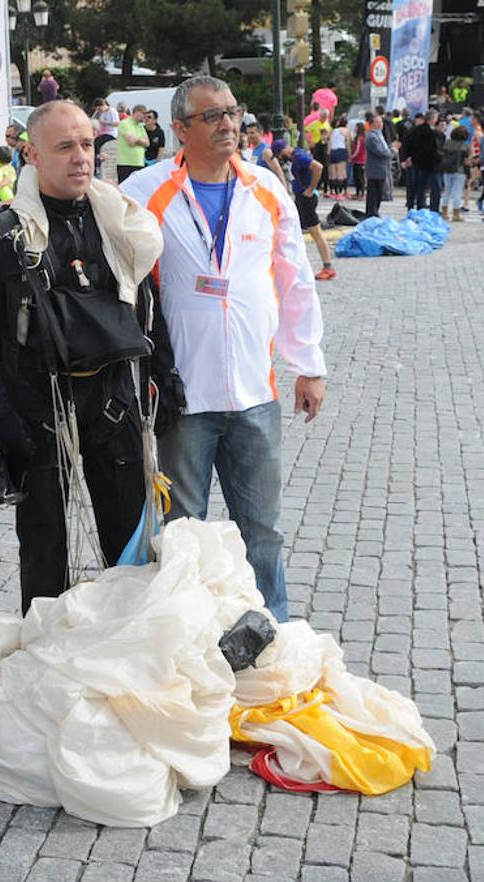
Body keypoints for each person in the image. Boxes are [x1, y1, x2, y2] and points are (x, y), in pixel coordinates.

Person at [122, 76, 325, 623]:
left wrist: (308, 366)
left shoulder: (264, 188)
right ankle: (185, 632)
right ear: (181, 129)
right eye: (213, 117)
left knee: (262, 529)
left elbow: (295, 279)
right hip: (184, 397)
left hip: (255, 395)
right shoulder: (145, 192)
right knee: (183, 529)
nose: (229, 125)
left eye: (233, 113)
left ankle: (270, 632)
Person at [0, 99, 170, 611]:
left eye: (87, 144)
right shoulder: (4, 234)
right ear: (33, 154)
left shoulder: (123, 224)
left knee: (131, 544)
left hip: (114, 402)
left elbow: (149, 309)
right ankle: (46, 658)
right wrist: (3, 419)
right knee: (44, 550)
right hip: (39, 409)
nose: (82, 156)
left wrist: (163, 383)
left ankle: (128, 644)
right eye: (65, 146)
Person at [278, 141, 336, 280]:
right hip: (303, 196)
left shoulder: (299, 157)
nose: (280, 159)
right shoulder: (298, 154)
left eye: (279, 155)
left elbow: (318, 167)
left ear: (284, 150)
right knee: (295, 229)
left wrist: (311, 188)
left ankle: (328, 266)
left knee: (315, 231)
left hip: (306, 197)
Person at [404, 109, 442, 211]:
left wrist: (410, 157)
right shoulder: (432, 132)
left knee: (419, 186)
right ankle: (434, 208)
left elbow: (409, 144)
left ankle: (417, 205)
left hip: (418, 162)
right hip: (431, 164)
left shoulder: (415, 130)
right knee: (435, 187)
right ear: (433, 119)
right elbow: (431, 148)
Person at [439, 125, 471, 221]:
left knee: (447, 191)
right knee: (457, 192)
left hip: (446, 170)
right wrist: (468, 174)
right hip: (459, 171)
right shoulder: (465, 146)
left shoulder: (446, 143)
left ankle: (444, 212)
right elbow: (466, 162)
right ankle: (456, 214)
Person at [364, 113, 392, 218]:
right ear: (372, 124)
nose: (380, 124)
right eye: (378, 122)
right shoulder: (371, 136)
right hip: (375, 169)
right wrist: (392, 151)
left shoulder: (379, 134)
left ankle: (374, 212)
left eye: (381, 122)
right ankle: (372, 213)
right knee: (374, 193)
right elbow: (380, 152)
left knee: (379, 192)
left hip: (381, 168)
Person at [115, 104, 149, 183]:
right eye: (143, 113)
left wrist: (136, 139)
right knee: (125, 190)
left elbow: (147, 143)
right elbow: (130, 142)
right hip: (125, 163)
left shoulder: (140, 127)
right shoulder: (124, 123)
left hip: (139, 162)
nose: (145, 116)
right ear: (136, 112)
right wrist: (141, 140)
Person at [326, 114, 349, 198]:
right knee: (342, 173)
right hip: (341, 150)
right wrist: (349, 153)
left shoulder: (332, 131)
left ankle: (333, 191)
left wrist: (328, 153)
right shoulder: (345, 130)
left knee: (333, 173)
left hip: (332, 151)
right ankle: (341, 192)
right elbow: (347, 143)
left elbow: (329, 141)